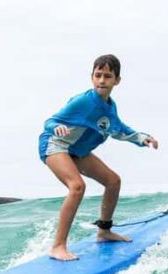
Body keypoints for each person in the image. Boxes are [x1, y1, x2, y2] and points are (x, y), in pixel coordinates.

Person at [38, 54, 159, 261]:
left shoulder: (110, 107)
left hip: (77, 150)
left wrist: (143, 138)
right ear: (92, 77)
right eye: (98, 75)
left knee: (113, 181)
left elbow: (119, 129)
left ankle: (104, 231)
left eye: (107, 76)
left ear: (117, 80)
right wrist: (57, 127)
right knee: (77, 186)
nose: (102, 80)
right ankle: (58, 246)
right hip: (55, 144)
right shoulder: (84, 101)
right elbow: (50, 121)